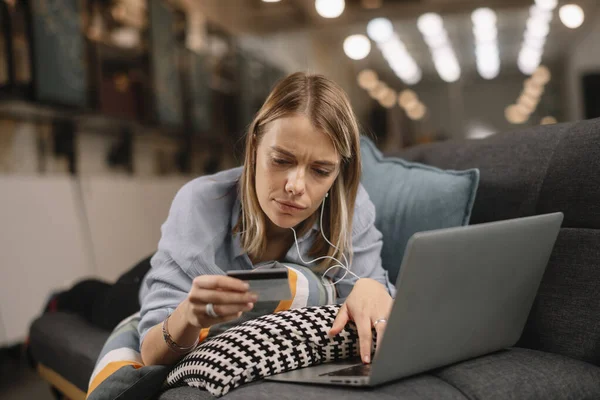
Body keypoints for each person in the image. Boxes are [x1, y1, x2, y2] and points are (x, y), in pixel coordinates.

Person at [138, 72, 396, 367]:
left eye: (321, 171)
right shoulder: (199, 205)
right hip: (157, 275)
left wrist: (373, 289)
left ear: (338, 173)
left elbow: (376, 310)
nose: (295, 186)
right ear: (254, 148)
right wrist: (187, 317)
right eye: (281, 160)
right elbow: (150, 353)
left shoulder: (351, 208)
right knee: (96, 299)